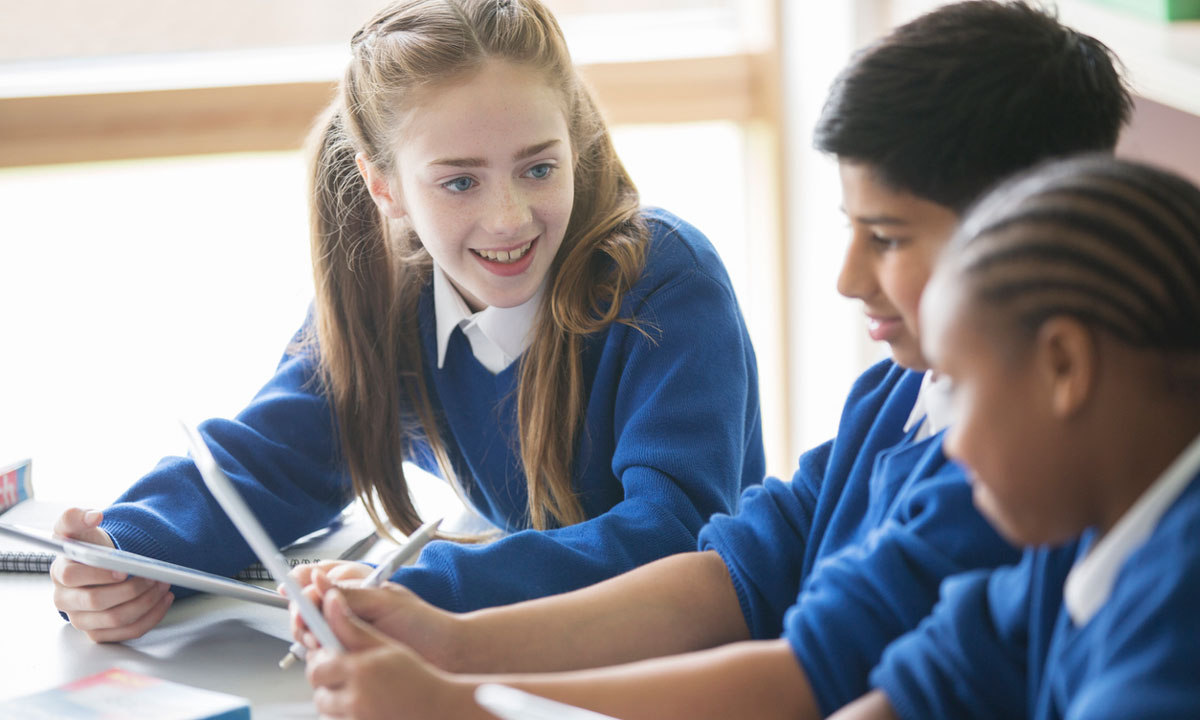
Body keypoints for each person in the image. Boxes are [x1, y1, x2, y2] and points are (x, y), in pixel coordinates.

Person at [289, 3, 1135, 719]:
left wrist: (464, 697)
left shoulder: (1013, 475)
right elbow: (739, 572)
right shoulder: (899, 392)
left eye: (885, 238)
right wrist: (447, 637)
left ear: (1025, 236)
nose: (845, 278)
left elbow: (809, 674)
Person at [48, 0, 765, 643]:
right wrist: (124, 551)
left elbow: (675, 537)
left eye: (538, 169)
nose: (510, 217)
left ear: (572, 146)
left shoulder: (664, 280)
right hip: (528, 662)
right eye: (460, 181)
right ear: (382, 185)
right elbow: (268, 459)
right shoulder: (392, 299)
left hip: (687, 659)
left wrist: (421, 593)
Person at [830, 157, 1200, 720]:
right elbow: (944, 679)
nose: (949, 447)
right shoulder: (1084, 529)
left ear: (1063, 367)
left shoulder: (1180, 618)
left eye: (957, 386)